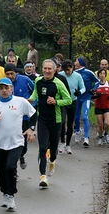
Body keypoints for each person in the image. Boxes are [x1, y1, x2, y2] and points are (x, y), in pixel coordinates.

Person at [0, 78, 36, 211]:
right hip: (0, 143)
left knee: (10, 167)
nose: (4, 91)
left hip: (16, 142)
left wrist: (31, 129)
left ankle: (11, 195)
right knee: (1, 172)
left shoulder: (20, 102)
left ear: (11, 88)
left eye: (7, 88)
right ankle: (5, 193)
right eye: (1, 88)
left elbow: (33, 114)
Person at [28, 59, 72, 187]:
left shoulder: (58, 84)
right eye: (45, 68)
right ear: (42, 69)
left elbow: (68, 100)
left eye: (49, 69)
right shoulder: (38, 81)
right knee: (42, 148)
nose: (47, 71)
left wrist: (56, 102)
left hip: (55, 120)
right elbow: (36, 92)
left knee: (53, 149)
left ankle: (52, 160)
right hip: (41, 119)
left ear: (54, 70)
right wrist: (31, 99)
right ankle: (43, 176)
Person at [0, 64, 36, 171]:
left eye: (12, 73)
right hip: (9, 118)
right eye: (7, 74)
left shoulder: (25, 80)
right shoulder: (2, 84)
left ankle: (21, 156)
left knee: (24, 145)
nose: (9, 76)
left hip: (24, 118)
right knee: (12, 145)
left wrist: (32, 104)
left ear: (15, 73)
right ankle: (13, 168)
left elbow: (35, 94)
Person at [58, 59, 86, 154]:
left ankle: (68, 144)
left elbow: (83, 88)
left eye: (69, 70)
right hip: (63, 101)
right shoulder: (61, 75)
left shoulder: (77, 76)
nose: (67, 72)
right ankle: (62, 141)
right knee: (62, 122)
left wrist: (79, 92)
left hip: (73, 101)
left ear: (72, 68)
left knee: (70, 123)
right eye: (65, 70)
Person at [74, 56, 99, 146]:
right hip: (77, 98)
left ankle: (86, 137)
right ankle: (77, 131)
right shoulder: (73, 73)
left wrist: (94, 89)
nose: (74, 62)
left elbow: (97, 81)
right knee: (76, 118)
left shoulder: (88, 73)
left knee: (85, 117)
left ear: (80, 63)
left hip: (86, 98)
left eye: (76, 61)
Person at [91, 68, 109, 145]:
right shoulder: (96, 85)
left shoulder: (108, 84)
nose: (102, 75)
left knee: (107, 124)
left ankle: (106, 134)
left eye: (103, 74)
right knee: (100, 125)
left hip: (107, 107)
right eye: (100, 74)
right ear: (98, 75)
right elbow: (91, 95)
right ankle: (100, 137)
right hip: (98, 107)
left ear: (105, 75)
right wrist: (96, 96)